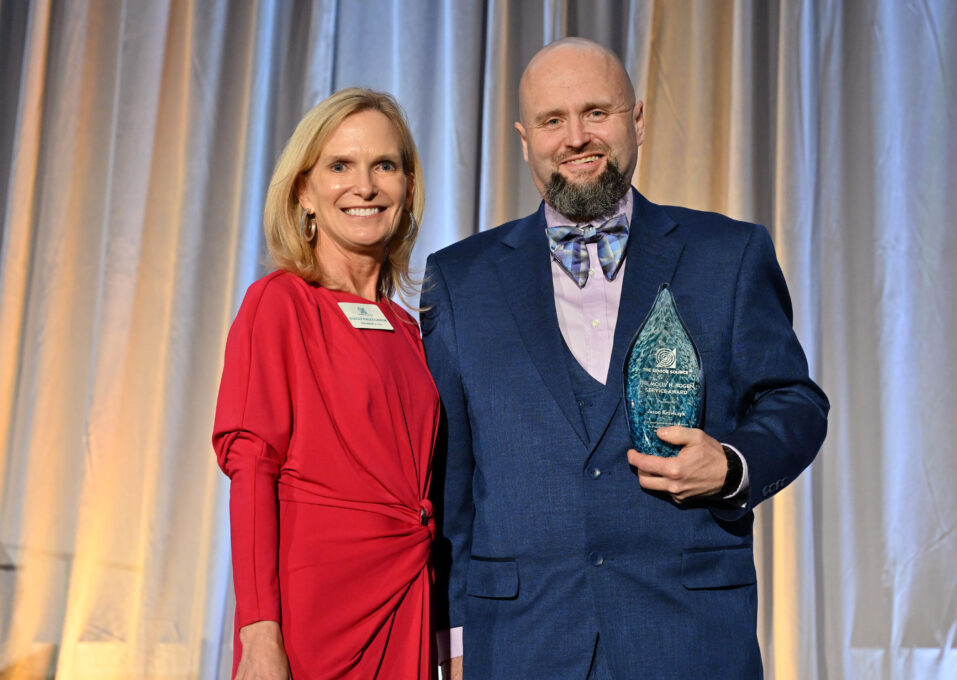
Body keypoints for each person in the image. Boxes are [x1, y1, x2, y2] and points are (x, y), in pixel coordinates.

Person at [421, 38, 829, 679]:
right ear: (525, 139)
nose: (576, 136)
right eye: (554, 120)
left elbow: (795, 402)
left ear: (636, 120)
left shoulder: (729, 253)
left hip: (689, 639)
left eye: (597, 112)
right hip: (521, 643)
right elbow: (452, 478)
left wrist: (730, 466)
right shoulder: (459, 279)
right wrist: (455, 631)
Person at [213, 88, 439, 679]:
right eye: (340, 166)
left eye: (383, 166)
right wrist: (259, 634)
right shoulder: (278, 304)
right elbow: (252, 471)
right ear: (304, 191)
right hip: (316, 618)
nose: (364, 186)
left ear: (407, 188)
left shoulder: (413, 331)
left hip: (408, 602)